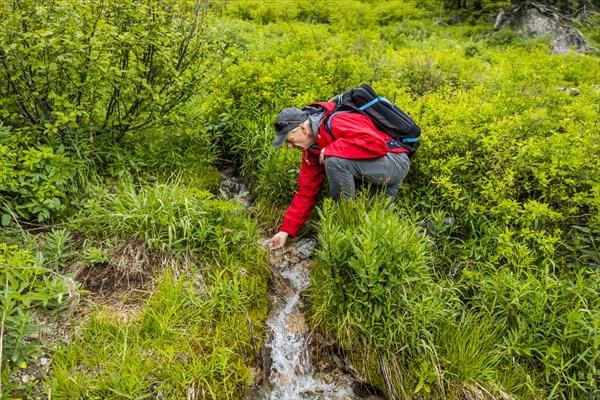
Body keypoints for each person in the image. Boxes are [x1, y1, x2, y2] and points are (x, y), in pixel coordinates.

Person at [268, 100, 411, 250]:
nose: (289, 146)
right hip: (378, 174)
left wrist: (331, 149)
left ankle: (341, 223)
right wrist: (285, 231)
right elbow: (307, 191)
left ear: (303, 129)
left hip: (394, 162)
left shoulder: (336, 121)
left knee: (334, 161)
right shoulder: (312, 150)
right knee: (372, 229)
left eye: (289, 140)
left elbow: (377, 145)